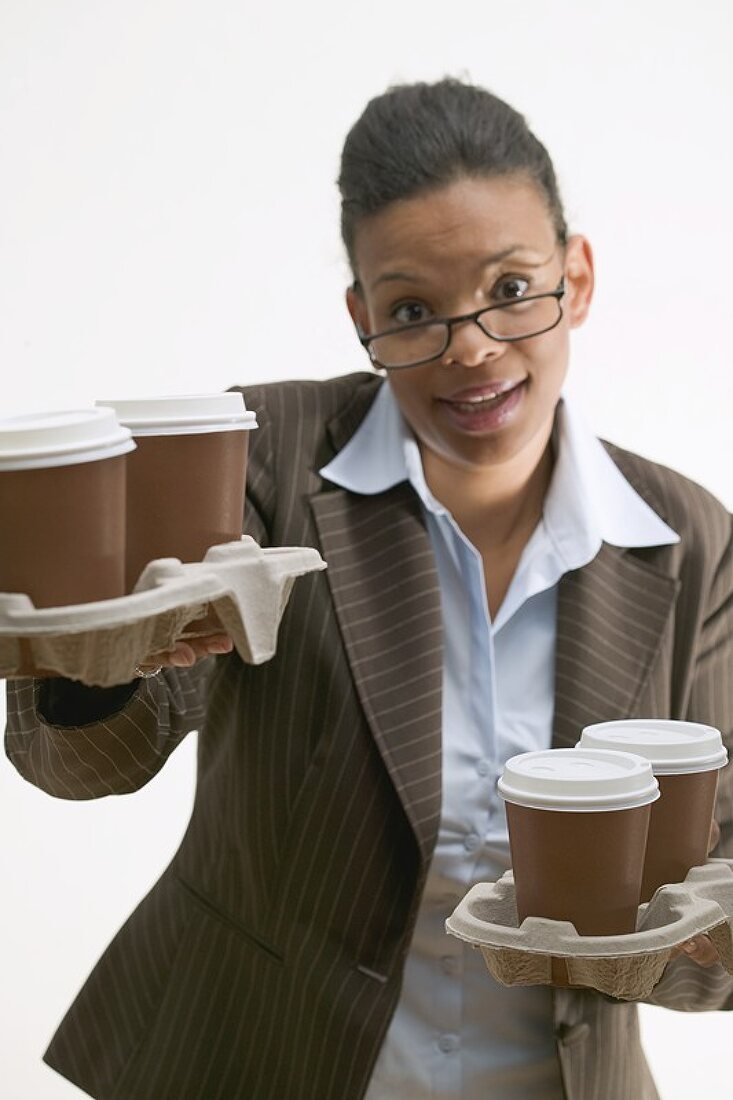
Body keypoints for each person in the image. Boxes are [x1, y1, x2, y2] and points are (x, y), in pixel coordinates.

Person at [6, 78, 733, 1100]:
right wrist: (100, 654)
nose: (469, 345)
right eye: (410, 310)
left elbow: (709, 901)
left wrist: (671, 939)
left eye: (511, 287)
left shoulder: (689, 538)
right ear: (361, 317)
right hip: (256, 1064)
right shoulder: (261, 456)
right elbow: (86, 759)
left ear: (577, 274)